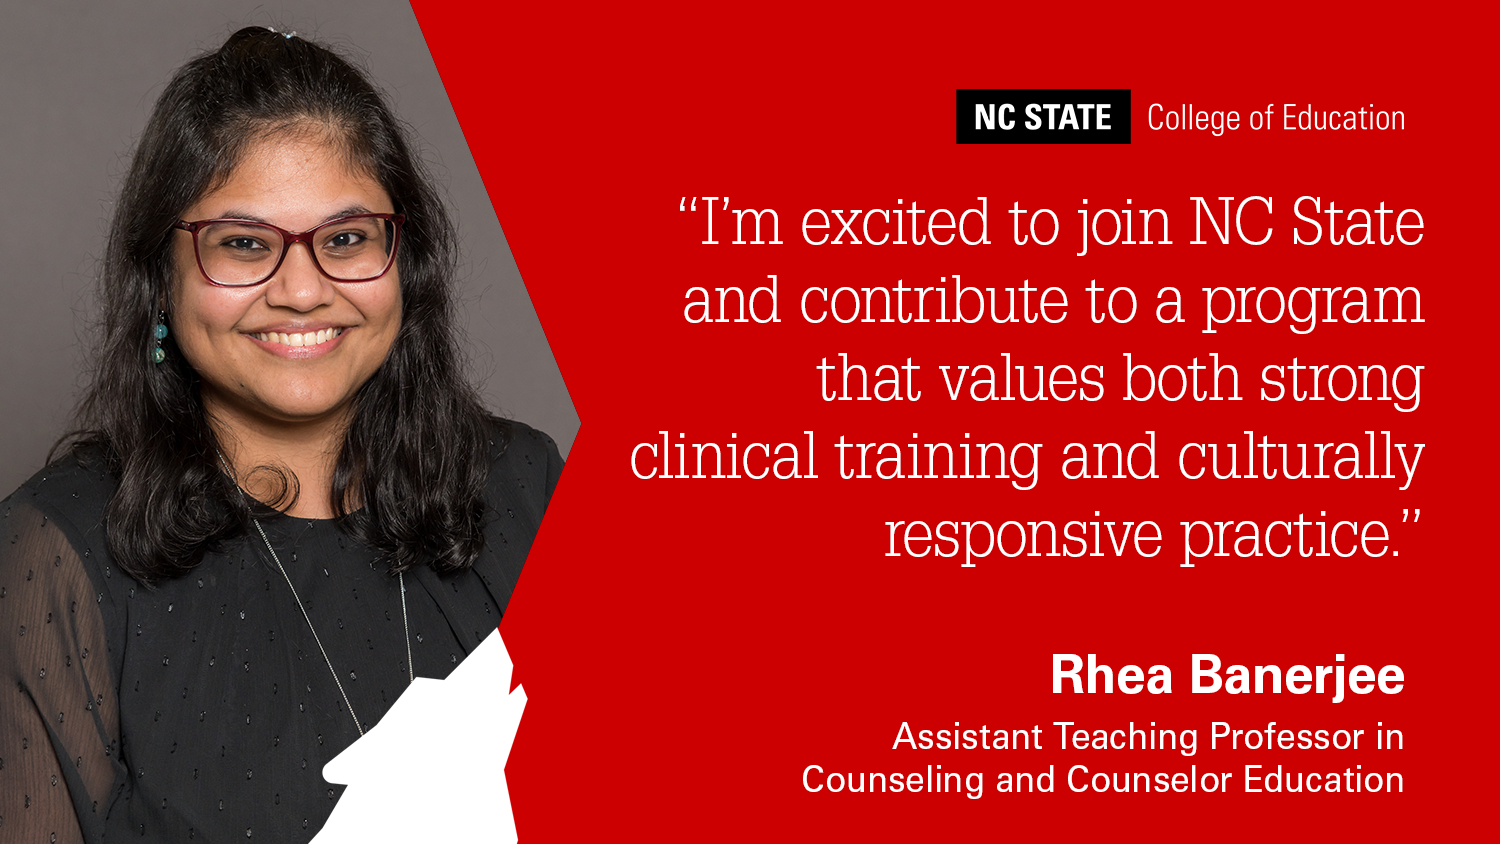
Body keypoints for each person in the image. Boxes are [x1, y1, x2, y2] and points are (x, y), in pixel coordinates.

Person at [0, 26, 561, 843]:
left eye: (345, 239)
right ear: (162, 275)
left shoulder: (527, 484)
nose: (303, 290)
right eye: (243, 245)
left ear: (404, 261)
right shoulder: (52, 559)